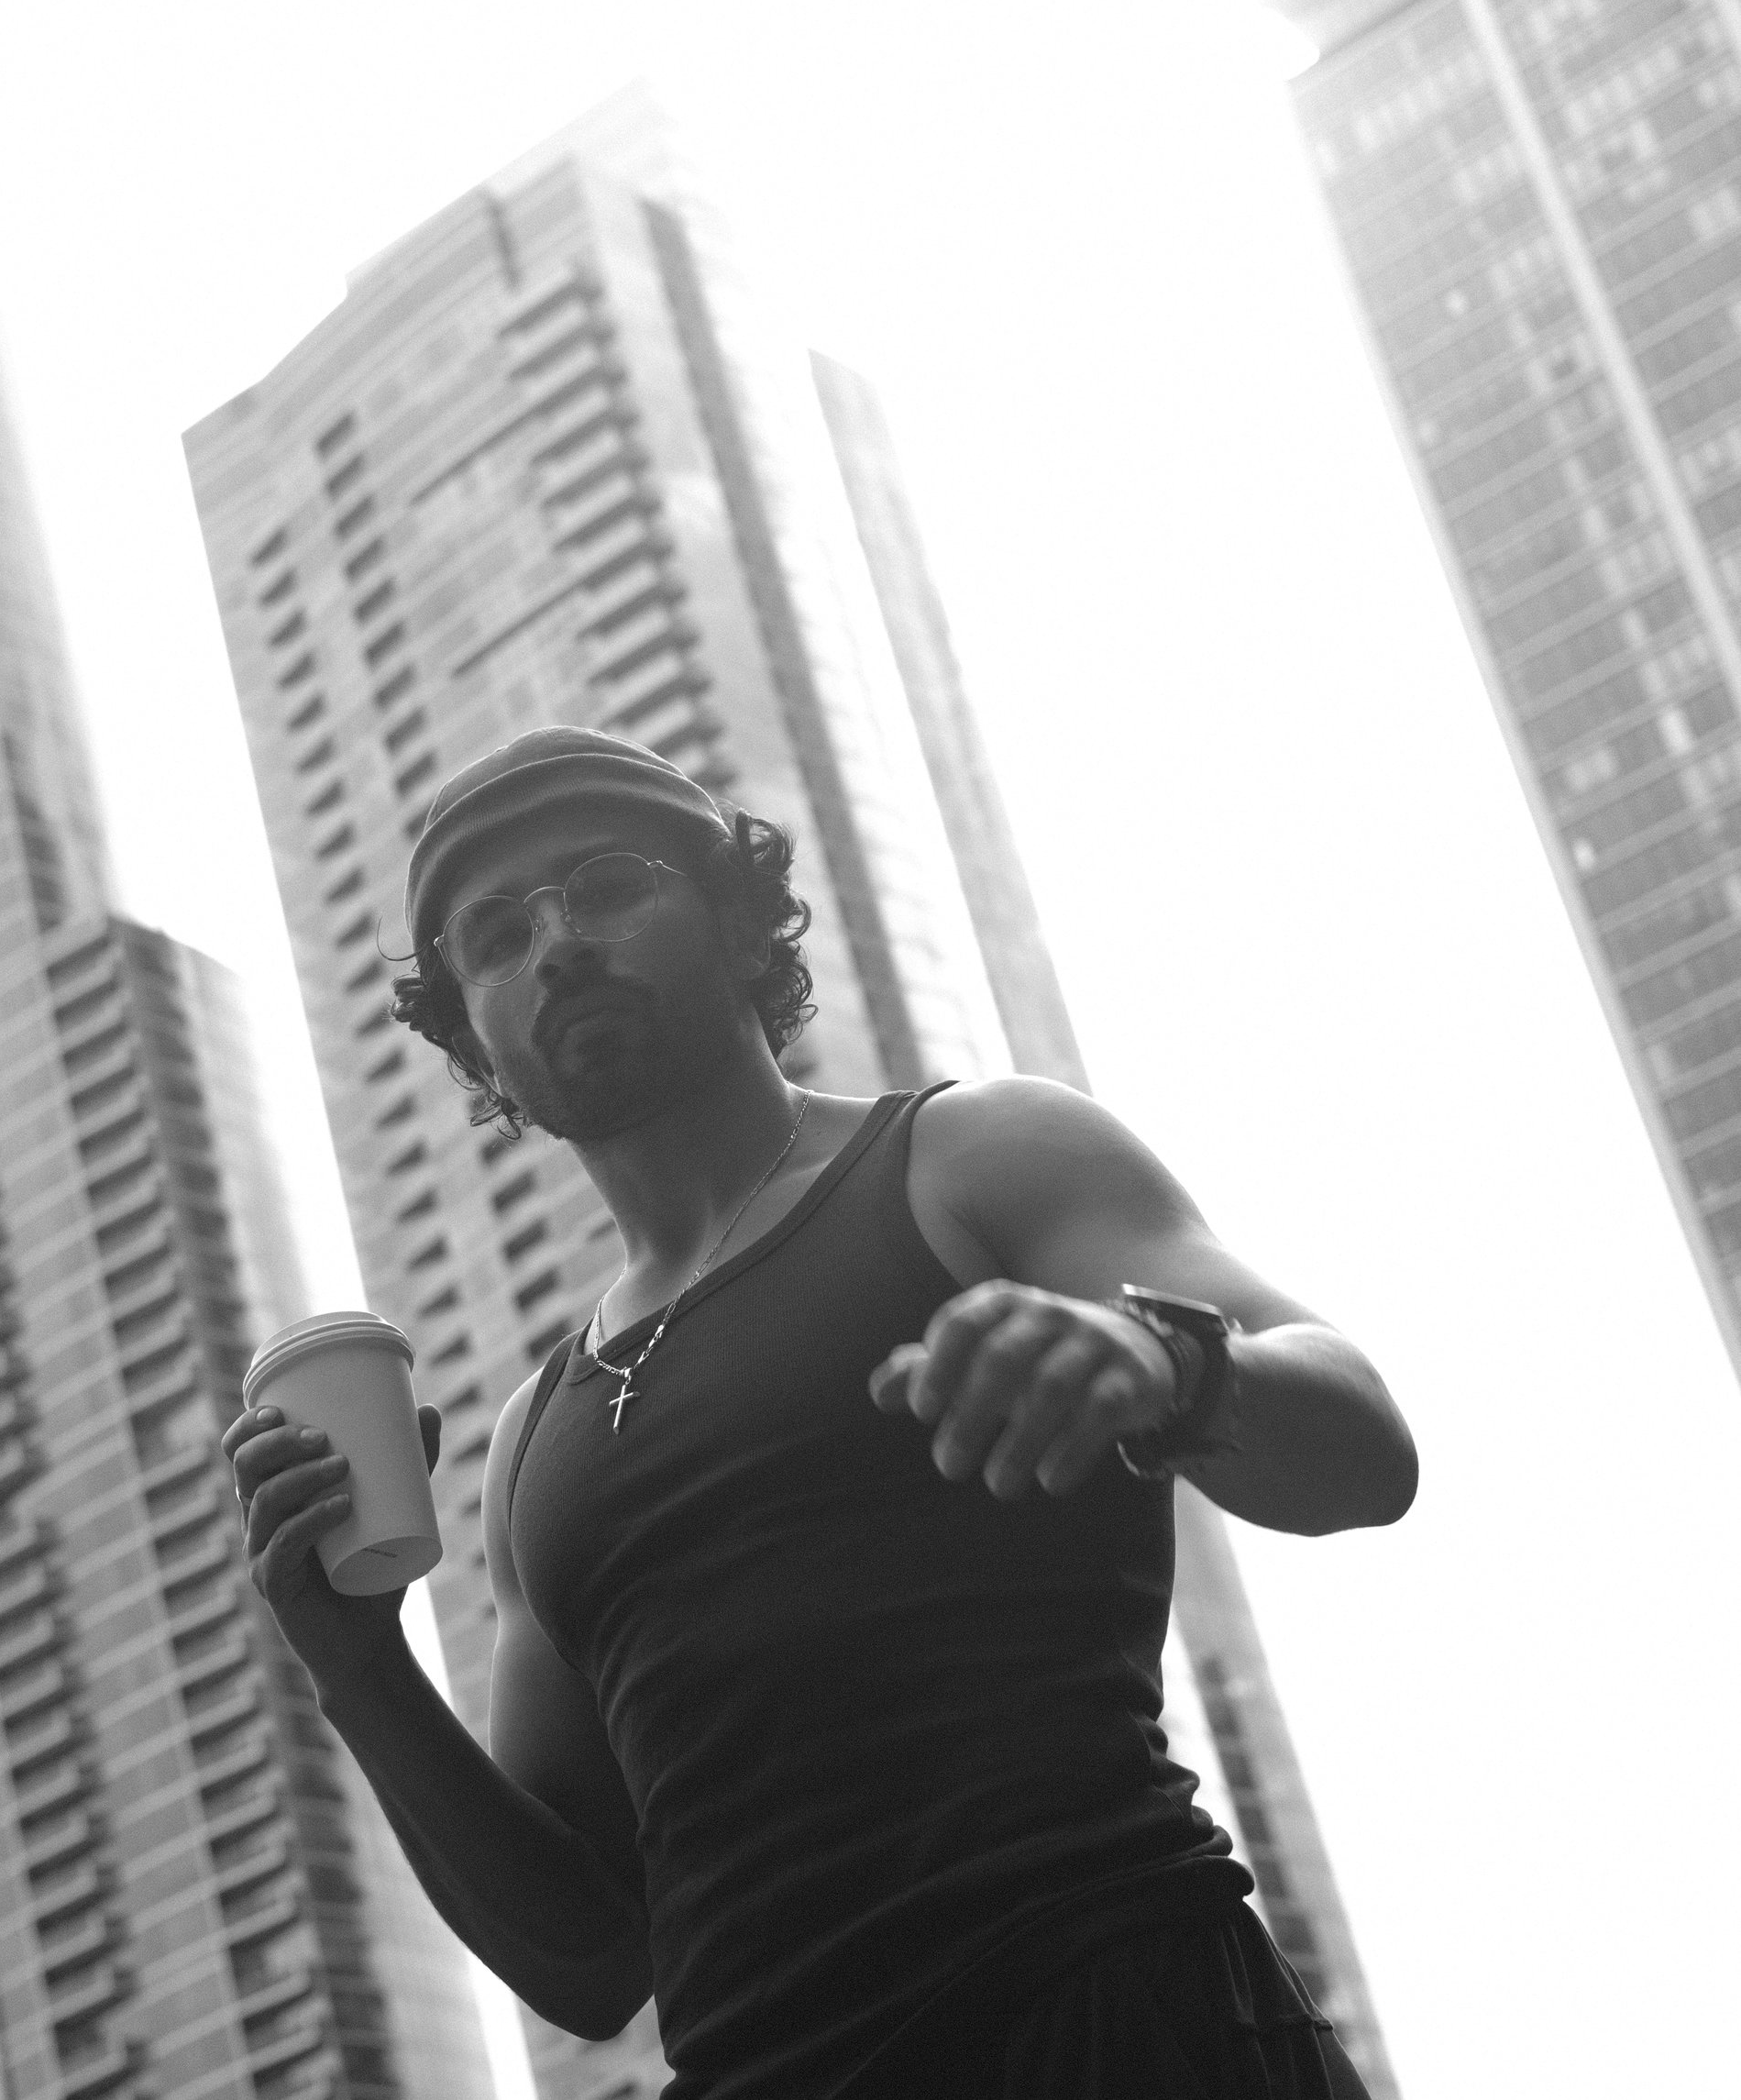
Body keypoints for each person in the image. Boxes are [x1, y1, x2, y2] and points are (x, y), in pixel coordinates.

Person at [223, 726, 1415, 2098]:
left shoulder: (973, 1158)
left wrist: (1169, 1363)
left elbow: (1364, 1449)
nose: (554, 947)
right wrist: (357, 1664)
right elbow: (589, 1959)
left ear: (738, 926)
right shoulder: (532, 1446)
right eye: (495, 937)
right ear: (476, 1044)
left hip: (1125, 2026)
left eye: (607, 886)